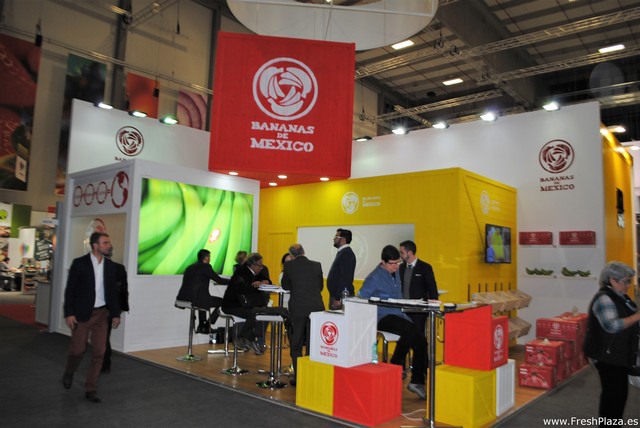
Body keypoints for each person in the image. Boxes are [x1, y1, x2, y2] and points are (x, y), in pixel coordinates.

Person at [358, 244, 428, 400]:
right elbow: (361, 296)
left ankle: (417, 381)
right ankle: (396, 364)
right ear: (383, 262)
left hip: (398, 314)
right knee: (410, 331)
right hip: (381, 316)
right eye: (392, 264)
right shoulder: (374, 277)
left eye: (398, 263)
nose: (396, 266)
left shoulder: (395, 273)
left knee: (421, 340)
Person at [62, 232, 122, 403]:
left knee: (99, 352)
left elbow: (112, 292)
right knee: (78, 350)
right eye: (105, 243)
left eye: (109, 242)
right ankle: (69, 371)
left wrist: (115, 313)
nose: (109, 245)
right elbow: (70, 290)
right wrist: (69, 313)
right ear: (96, 245)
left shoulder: (110, 266)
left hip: (102, 315)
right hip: (82, 315)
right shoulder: (80, 263)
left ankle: (91, 388)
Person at [584, 261, 640, 424]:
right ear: (612, 280)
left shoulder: (620, 296)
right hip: (608, 357)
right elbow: (611, 326)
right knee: (614, 397)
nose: (628, 285)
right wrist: (637, 317)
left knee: (617, 396)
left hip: (617, 354)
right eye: (626, 281)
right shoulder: (604, 298)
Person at [281, 244, 324, 386]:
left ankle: (299, 376)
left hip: (298, 308)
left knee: (296, 344)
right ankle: (310, 374)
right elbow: (320, 287)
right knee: (313, 343)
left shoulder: (289, 266)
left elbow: (285, 286)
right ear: (304, 252)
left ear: (291, 255)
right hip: (316, 308)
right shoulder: (317, 265)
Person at [222, 252, 270, 355]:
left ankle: (247, 338)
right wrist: (255, 285)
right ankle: (244, 339)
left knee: (261, 312)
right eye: (260, 266)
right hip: (232, 305)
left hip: (244, 305)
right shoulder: (241, 272)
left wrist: (264, 282)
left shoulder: (253, 272)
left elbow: (266, 279)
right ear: (252, 265)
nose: (261, 268)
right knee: (254, 313)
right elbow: (242, 290)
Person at [176, 249, 230, 334]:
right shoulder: (206, 267)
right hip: (197, 299)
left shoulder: (190, 267)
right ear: (206, 258)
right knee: (223, 302)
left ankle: (202, 325)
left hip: (183, 299)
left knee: (203, 299)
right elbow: (219, 280)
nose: (210, 259)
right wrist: (232, 281)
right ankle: (206, 325)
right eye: (209, 257)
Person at [398, 240, 438, 333]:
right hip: (403, 309)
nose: (400, 255)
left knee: (418, 335)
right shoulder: (401, 268)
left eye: (402, 252)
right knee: (404, 335)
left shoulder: (425, 267)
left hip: (419, 311)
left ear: (410, 252)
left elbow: (432, 288)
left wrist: (433, 307)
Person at [101, 255, 129, 374]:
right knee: (104, 336)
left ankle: (104, 363)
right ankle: (105, 363)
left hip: (102, 308)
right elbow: (124, 290)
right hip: (111, 308)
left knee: (102, 337)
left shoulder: (97, 267)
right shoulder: (119, 268)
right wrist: (121, 308)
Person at [327, 228, 356, 310]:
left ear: (343, 239)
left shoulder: (346, 254)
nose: (334, 238)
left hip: (341, 297)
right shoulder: (342, 252)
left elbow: (345, 278)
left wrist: (338, 298)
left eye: (336, 236)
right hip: (337, 296)